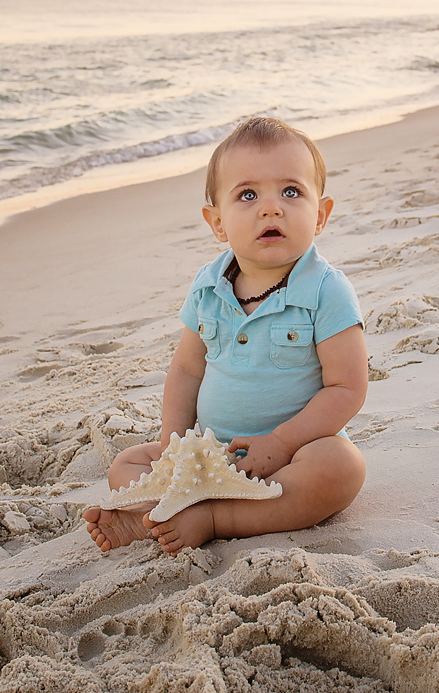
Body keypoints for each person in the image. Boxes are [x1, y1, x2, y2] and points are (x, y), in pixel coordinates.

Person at [83, 117, 368, 556]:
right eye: (248, 195)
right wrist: (171, 445)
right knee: (128, 464)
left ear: (321, 214)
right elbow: (185, 368)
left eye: (291, 192)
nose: (270, 208)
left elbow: (347, 387)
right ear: (217, 222)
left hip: (291, 458)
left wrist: (282, 443)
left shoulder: (327, 291)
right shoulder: (208, 286)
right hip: (210, 454)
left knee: (341, 467)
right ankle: (155, 512)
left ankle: (216, 517)